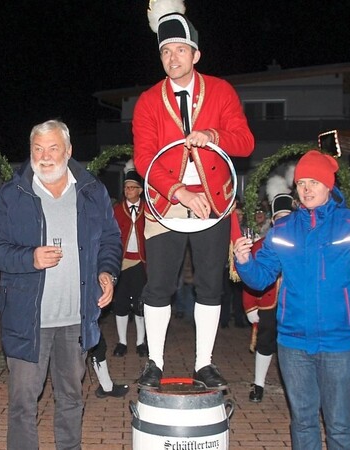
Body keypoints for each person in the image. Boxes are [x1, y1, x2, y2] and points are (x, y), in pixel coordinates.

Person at [133, 2, 255, 389]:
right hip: (167, 199)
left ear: (195, 54)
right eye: (166, 51)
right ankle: (154, 361)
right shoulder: (149, 100)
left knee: (210, 284)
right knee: (159, 285)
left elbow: (246, 142)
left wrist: (214, 136)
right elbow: (144, 157)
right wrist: (178, 190)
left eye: (180, 50)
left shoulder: (221, 91)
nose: (172, 58)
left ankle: (205, 362)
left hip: (213, 203)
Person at [234, 150, 350, 449]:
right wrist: (244, 262)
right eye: (301, 182)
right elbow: (261, 278)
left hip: (342, 342)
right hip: (293, 344)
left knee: (340, 424)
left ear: (329, 185)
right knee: (303, 422)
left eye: (314, 182)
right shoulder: (283, 229)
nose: (306, 189)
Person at [0, 119, 122, 449]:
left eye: (52, 148)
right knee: (22, 405)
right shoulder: (11, 194)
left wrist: (107, 272)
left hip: (76, 319)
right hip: (28, 321)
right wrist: (29, 258)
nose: (44, 156)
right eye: (37, 149)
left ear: (68, 151)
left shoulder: (91, 191)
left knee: (72, 398)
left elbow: (112, 240)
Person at [235, 191, 294, 403]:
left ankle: (293, 388)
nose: (284, 222)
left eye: (288, 217)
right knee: (265, 343)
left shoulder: (301, 244)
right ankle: (258, 384)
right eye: (280, 218)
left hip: (293, 305)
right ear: (273, 220)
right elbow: (250, 280)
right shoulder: (260, 245)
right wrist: (250, 307)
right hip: (268, 304)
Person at [111, 163, 148, 358]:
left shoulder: (148, 210)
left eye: (132, 187)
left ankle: (141, 342)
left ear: (140, 190)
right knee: (121, 303)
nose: (128, 191)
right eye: (126, 188)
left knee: (141, 304)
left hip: (141, 263)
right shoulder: (117, 210)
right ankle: (122, 341)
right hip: (122, 262)